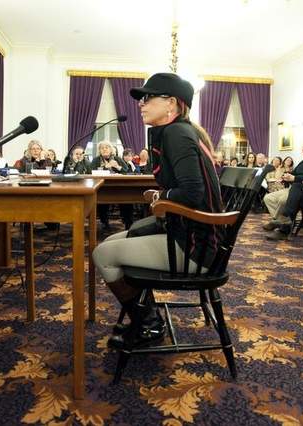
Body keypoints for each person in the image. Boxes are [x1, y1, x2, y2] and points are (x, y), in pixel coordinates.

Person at [93, 73, 223, 348]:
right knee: (114, 241)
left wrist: (162, 196)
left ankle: (149, 325)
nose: (141, 103)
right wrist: (162, 196)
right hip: (190, 232)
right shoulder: (178, 131)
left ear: (171, 103)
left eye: (147, 97)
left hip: (195, 244)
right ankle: (145, 313)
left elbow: (191, 192)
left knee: (102, 254)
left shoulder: (177, 133)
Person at [263, 143, 303, 230]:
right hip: (293, 187)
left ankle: (283, 224)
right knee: (268, 198)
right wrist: (285, 177)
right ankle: (281, 221)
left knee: (282, 200)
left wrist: (295, 178)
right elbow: (293, 174)